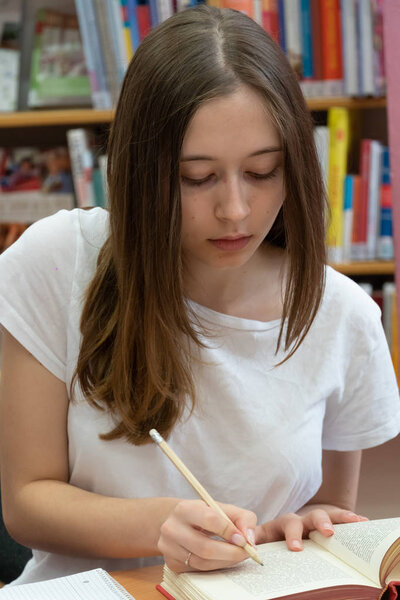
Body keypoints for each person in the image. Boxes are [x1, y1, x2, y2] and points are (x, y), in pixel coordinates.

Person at [0, 5, 399, 586]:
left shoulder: (342, 315)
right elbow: (26, 501)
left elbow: (326, 528)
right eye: (196, 177)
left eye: (262, 172)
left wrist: (313, 528)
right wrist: (161, 526)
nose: (235, 210)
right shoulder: (60, 262)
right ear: (141, 170)